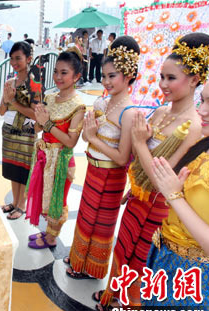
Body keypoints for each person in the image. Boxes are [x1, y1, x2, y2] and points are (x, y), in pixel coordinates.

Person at [95, 33, 209, 311]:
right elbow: (141, 162)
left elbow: (164, 176)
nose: (163, 84)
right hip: (139, 196)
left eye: (171, 78)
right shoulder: (160, 112)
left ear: (195, 79)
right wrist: (135, 183)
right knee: (123, 247)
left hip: (160, 205)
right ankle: (115, 294)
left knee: (141, 255)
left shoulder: (194, 125)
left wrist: (139, 142)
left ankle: (131, 304)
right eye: (161, 76)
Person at [143, 61, 209, 311]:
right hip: (164, 259)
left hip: (200, 278)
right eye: (203, 101)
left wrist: (174, 195)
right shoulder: (208, 144)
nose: (202, 111)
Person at [65, 36, 140, 278]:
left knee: (102, 223)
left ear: (128, 76)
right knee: (86, 217)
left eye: (112, 76)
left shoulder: (130, 112)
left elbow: (122, 157)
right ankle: (79, 258)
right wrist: (90, 136)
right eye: (104, 75)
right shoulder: (101, 102)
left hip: (112, 175)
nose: (106, 81)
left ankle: (92, 267)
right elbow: (88, 137)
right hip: (93, 169)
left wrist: (93, 138)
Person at [25, 46, 86, 249]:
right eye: (56, 71)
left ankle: (51, 238)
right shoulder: (51, 97)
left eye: (64, 73)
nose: (58, 77)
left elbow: (71, 142)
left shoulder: (78, 105)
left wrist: (48, 123)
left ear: (76, 76)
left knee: (57, 200)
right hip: (44, 156)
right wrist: (39, 119)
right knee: (45, 196)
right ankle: (48, 230)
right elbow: (39, 127)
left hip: (61, 160)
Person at [0, 41, 36, 220]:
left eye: (18, 58)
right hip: (9, 131)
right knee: (13, 169)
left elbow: (36, 115)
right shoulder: (9, 82)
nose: (14, 62)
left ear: (28, 59)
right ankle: (14, 202)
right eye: (12, 58)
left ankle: (22, 205)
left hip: (26, 133)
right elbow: (1, 111)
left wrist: (13, 102)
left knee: (23, 171)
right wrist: (6, 100)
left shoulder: (34, 84)